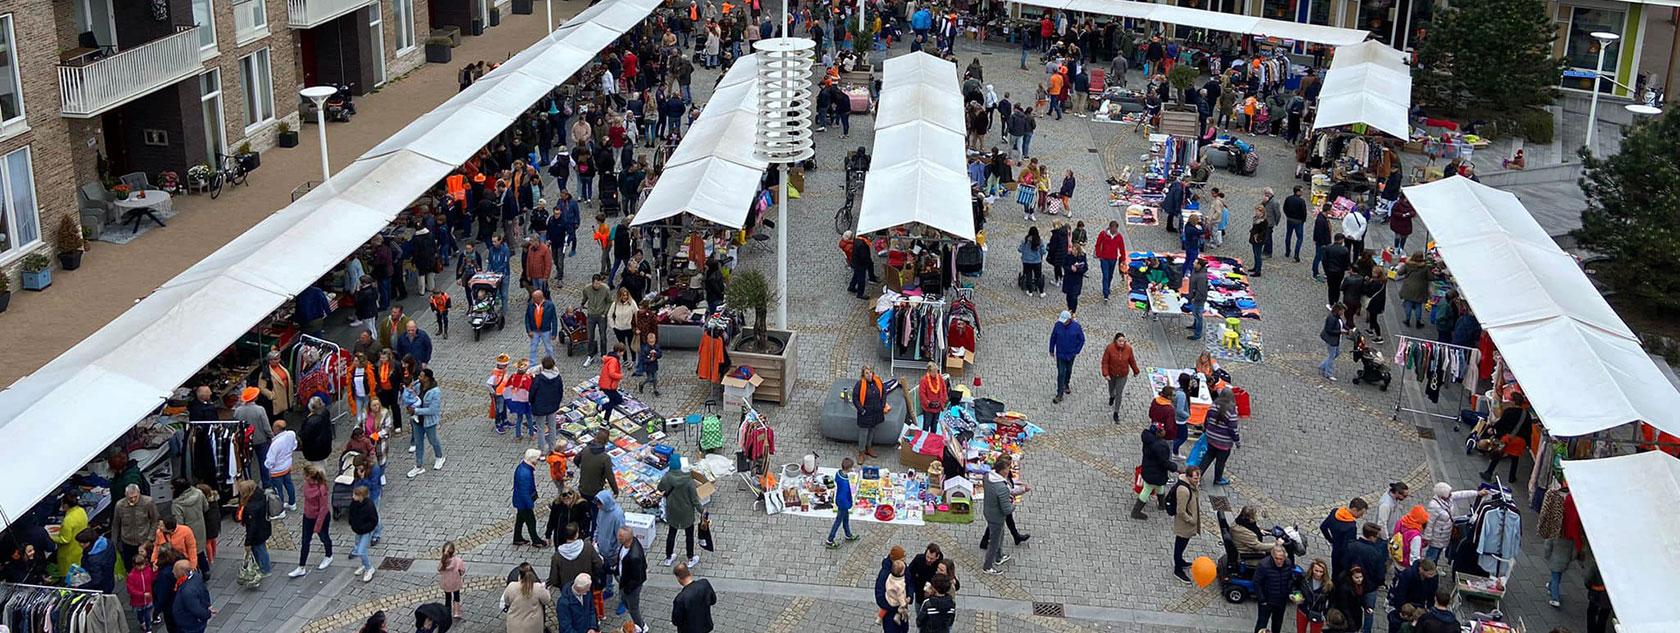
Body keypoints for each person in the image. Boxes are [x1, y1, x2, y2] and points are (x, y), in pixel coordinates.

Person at [286, 465, 333, 578]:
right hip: (308, 516)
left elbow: (323, 508)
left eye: (305, 475)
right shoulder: (307, 484)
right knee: (305, 541)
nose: (304, 477)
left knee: (324, 537)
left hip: (320, 518)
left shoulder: (321, 488)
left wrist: (318, 525)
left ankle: (329, 555)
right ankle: (301, 567)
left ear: (310, 476)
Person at [658, 454, 703, 567]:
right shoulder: (688, 480)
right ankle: (690, 558)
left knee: (671, 534)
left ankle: (668, 557)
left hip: (672, 510)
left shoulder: (667, 477)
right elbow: (695, 499)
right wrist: (702, 511)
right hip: (686, 512)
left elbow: (660, 488)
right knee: (689, 536)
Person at [981, 456, 1020, 575]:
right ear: (1003, 470)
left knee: (1000, 534)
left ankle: (999, 556)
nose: (1009, 470)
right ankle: (987, 566)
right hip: (996, 517)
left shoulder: (988, 476)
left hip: (988, 511)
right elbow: (1007, 510)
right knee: (994, 541)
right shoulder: (1001, 487)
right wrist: (1014, 504)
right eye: (1008, 468)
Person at [1424, 483, 1481, 562]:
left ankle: (1433, 567)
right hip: (1436, 537)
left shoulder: (1448, 498)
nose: (1451, 494)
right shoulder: (1434, 506)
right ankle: (1427, 569)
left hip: (1444, 535)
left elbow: (1461, 494)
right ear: (1443, 495)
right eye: (1449, 493)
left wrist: (1477, 493)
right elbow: (1430, 523)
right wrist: (1427, 538)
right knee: (1432, 555)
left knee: (1438, 553)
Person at [576, 432, 619, 536]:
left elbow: (576, 459)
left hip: (583, 488)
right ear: (606, 442)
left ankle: (584, 531)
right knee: (596, 513)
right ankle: (593, 535)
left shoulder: (585, 449)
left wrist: (583, 468)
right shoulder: (605, 458)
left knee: (586, 511)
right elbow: (610, 476)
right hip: (596, 491)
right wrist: (615, 490)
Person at [1135, 423, 1178, 519]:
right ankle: (1136, 511)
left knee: (1159, 486)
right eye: (1162, 430)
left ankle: (1162, 504)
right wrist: (1176, 468)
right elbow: (1164, 462)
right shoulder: (1160, 446)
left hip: (1149, 468)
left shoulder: (1149, 440)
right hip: (1155, 472)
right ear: (1158, 433)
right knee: (1147, 490)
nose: (1164, 431)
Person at [408, 368, 446, 478]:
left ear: (427, 378)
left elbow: (432, 410)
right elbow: (411, 396)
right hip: (417, 421)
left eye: (421, 376)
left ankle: (439, 457)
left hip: (429, 422)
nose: (419, 378)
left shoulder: (435, 392)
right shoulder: (417, 385)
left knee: (433, 440)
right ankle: (419, 466)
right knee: (418, 443)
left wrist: (416, 411)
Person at [1170, 466, 1204, 583]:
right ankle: (1178, 569)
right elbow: (1180, 511)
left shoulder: (1191, 485)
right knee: (1179, 545)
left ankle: (1180, 562)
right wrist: (1191, 520)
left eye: (1198, 477)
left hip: (1189, 522)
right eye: (1195, 478)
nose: (1197, 480)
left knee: (1183, 544)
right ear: (1188, 477)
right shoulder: (1183, 490)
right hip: (1184, 524)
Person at [1198, 388, 1239, 485]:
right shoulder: (1231, 411)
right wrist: (1237, 441)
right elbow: (1233, 429)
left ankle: (1198, 476)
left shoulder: (1213, 405)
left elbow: (1207, 420)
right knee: (1220, 462)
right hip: (1224, 443)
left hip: (1211, 438)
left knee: (1208, 456)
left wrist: (1206, 429)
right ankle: (1218, 479)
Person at [114, 483, 160, 569]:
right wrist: (114, 543)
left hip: (144, 541)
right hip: (127, 542)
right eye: (130, 497)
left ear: (139, 493)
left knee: (147, 566)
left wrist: (149, 539)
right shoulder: (120, 505)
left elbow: (155, 520)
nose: (133, 499)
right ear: (125, 495)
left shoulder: (148, 502)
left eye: (135, 496)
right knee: (129, 567)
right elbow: (116, 524)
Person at [1386, 559, 1440, 631]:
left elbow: (1432, 594)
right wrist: (1402, 609)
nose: (1432, 576)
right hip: (1406, 606)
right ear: (1421, 569)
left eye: (1433, 574)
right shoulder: (1408, 574)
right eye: (1429, 574)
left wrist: (1430, 608)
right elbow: (1400, 593)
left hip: (1419, 605)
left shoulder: (1434, 577)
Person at [1320, 498, 1368, 576]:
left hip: (1335, 551)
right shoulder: (1351, 526)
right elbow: (1349, 546)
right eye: (1361, 513)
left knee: (1335, 573)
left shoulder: (1335, 512)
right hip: (1343, 557)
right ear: (1355, 510)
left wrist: (1331, 540)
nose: (1361, 516)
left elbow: (1323, 527)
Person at [1101, 332, 1142, 423]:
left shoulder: (1128, 349)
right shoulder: (1109, 348)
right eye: (1120, 341)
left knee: (1119, 393)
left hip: (1123, 375)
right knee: (1111, 389)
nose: (1122, 343)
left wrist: (1136, 371)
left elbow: (1132, 361)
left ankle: (1116, 412)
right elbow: (1105, 362)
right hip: (1111, 374)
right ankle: (1112, 396)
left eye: (1123, 341)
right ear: (1116, 341)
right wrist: (1105, 373)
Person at [1254, 544, 1295, 633]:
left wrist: (1290, 592)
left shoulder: (1288, 563)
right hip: (1267, 601)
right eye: (1276, 558)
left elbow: (1290, 580)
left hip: (1281, 601)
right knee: (1261, 624)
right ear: (1272, 556)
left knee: (1277, 624)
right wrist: (1262, 600)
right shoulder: (1263, 565)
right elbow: (1257, 583)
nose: (1279, 561)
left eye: (1281, 559)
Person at [616, 526, 649, 632]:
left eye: (620, 536)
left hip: (631, 587)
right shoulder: (627, 544)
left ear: (627, 538)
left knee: (633, 609)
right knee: (626, 602)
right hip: (624, 581)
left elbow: (637, 578)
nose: (618, 537)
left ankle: (641, 627)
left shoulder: (635, 556)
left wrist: (626, 589)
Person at [501, 564, 552, 633]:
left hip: (515, 625)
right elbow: (547, 600)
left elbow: (506, 601)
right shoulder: (538, 587)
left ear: (519, 575)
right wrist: (546, 589)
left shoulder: (511, 586)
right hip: (533, 626)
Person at [1049, 310, 1085, 404]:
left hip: (1070, 354)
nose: (1063, 322)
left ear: (1069, 319)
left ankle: (1066, 383)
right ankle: (1059, 394)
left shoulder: (1076, 327)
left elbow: (1081, 339)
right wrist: (1051, 349)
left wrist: (1076, 350)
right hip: (1060, 354)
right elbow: (1053, 337)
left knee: (1069, 370)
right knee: (1061, 373)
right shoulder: (1058, 325)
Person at [512, 449, 546, 547]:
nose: (538, 461)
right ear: (532, 459)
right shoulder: (525, 473)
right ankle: (536, 540)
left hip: (520, 501)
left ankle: (517, 538)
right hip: (524, 503)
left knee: (520, 519)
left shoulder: (523, 467)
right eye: (536, 459)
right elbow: (524, 492)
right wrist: (530, 504)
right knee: (531, 521)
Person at [671, 561, 716, 633]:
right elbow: (713, 600)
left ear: (678, 578)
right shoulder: (704, 583)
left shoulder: (680, 599)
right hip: (705, 626)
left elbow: (676, 621)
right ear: (689, 573)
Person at [853, 366, 887, 460]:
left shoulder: (878, 381)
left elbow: (883, 392)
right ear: (863, 374)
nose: (869, 375)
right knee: (863, 434)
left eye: (871, 372)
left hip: (876, 413)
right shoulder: (859, 384)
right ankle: (861, 452)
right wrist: (862, 410)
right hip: (865, 413)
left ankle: (869, 448)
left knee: (872, 431)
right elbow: (855, 399)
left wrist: (882, 405)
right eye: (867, 373)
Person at [171, 560, 213, 633]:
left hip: (190, 624)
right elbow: (205, 592)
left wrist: (207, 613)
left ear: (183, 573)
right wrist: (207, 605)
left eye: (175, 571)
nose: (173, 572)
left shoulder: (187, 591)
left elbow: (196, 609)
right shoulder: (196, 576)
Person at [347, 485, 378, 583]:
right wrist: (352, 523)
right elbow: (351, 514)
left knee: (361, 550)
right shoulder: (354, 503)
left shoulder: (369, 505)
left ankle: (369, 568)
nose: (353, 497)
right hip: (358, 530)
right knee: (358, 547)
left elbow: (374, 521)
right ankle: (364, 565)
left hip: (365, 531)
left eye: (355, 495)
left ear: (361, 496)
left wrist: (365, 528)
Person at [1328, 564, 1371, 633]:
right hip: (1346, 616)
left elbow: (1361, 597)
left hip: (1356, 612)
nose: (1360, 579)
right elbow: (1344, 607)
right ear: (1351, 577)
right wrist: (1352, 625)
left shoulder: (1360, 585)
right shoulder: (1344, 588)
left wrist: (1366, 606)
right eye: (1357, 577)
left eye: (1361, 577)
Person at [582, 274, 613, 365]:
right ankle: (590, 356)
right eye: (595, 284)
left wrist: (605, 313)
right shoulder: (587, 289)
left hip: (601, 315)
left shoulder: (606, 289)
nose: (597, 285)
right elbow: (585, 297)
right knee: (590, 336)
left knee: (603, 336)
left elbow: (609, 302)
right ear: (592, 283)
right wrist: (582, 303)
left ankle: (603, 355)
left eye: (599, 283)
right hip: (591, 314)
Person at [1296, 558, 1333, 633]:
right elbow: (1296, 588)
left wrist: (1325, 615)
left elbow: (1331, 601)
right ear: (1312, 569)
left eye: (1321, 572)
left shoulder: (1328, 585)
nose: (1318, 574)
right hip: (1303, 610)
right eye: (1316, 571)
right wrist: (1297, 596)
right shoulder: (1304, 578)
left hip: (1318, 613)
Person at [127, 544, 158, 632]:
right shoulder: (131, 576)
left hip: (148, 599)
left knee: (148, 614)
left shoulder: (148, 570)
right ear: (134, 565)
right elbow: (130, 589)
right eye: (138, 565)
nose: (141, 567)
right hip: (138, 601)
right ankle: (142, 622)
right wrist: (142, 594)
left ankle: (149, 628)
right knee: (140, 614)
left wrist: (155, 572)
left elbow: (152, 579)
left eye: (142, 565)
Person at [525, 289, 559, 364]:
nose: (532, 299)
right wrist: (529, 330)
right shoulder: (531, 305)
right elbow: (527, 318)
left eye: (534, 298)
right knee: (533, 348)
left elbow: (554, 320)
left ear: (539, 298)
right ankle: (532, 364)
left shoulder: (550, 305)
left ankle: (551, 363)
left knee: (548, 348)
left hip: (545, 330)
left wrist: (554, 333)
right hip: (534, 330)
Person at [882, 558, 912, 633]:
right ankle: (897, 616)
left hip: (889, 597)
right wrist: (904, 603)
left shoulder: (890, 577)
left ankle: (880, 616)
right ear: (901, 573)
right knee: (901, 608)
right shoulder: (899, 584)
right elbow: (900, 595)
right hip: (896, 602)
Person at [438, 541, 466, 619]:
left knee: (448, 598)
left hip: (446, 583)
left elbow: (439, 570)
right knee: (456, 596)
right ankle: (456, 612)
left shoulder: (443, 562)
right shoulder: (458, 561)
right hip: (455, 582)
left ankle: (447, 612)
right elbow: (462, 570)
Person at [599, 343, 627, 420]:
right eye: (622, 352)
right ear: (619, 351)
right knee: (618, 400)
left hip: (607, 384)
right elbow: (612, 373)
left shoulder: (611, 358)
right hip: (609, 386)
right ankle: (601, 407)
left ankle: (605, 420)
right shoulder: (614, 361)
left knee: (612, 401)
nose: (623, 353)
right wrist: (620, 376)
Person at [1320, 304, 1348, 381]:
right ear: (1338, 310)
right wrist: (1340, 332)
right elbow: (1329, 330)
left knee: (1335, 354)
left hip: (1336, 340)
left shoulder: (1337, 317)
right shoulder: (1331, 318)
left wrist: (1348, 329)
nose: (1343, 313)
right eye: (1342, 311)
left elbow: (1342, 324)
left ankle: (1323, 366)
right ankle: (1328, 373)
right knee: (1332, 356)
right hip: (1331, 340)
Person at [1018, 226, 1047, 297]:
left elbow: (1020, 249)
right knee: (1038, 276)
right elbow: (1043, 251)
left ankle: (1030, 291)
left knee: (1028, 276)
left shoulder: (1025, 240)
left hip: (1027, 262)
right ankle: (1041, 292)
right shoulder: (1039, 241)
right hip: (1037, 262)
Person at [1186, 258, 1209, 340]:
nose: (1193, 264)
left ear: (1199, 265)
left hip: (1199, 299)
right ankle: (1194, 325)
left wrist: (1195, 298)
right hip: (1194, 296)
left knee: (1198, 315)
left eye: (1195, 263)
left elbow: (1201, 290)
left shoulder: (1201, 277)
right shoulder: (1196, 271)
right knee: (1195, 313)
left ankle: (1197, 334)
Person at [1283, 186, 1309, 261]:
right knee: (1300, 238)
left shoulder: (1288, 199)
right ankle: (1296, 254)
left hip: (1290, 219)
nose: (1302, 192)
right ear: (1297, 192)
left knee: (1288, 235)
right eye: (1301, 191)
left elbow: (1285, 208)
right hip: (1298, 221)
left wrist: (1288, 215)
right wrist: (1303, 220)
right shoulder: (1301, 201)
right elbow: (1304, 212)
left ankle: (1287, 251)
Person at [1061, 242, 1089, 311]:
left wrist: (1077, 270)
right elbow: (1064, 265)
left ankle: (1073, 311)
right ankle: (1069, 308)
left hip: (1077, 280)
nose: (1073, 251)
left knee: (1074, 296)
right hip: (1068, 279)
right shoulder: (1068, 256)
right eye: (1072, 249)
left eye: (1075, 250)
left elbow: (1085, 268)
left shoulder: (1082, 257)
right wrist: (1071, 268)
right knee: (1069, 296)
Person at [637, 331, 663, 396]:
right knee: (649, 378)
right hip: (648, 367)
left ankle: (655, 390)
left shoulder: (656, 347)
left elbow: (660, 355)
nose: (652, 343)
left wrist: (656, 353)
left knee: (655, 378)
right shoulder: (645, 349)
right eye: (650, 342)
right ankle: (641, 384)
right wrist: (650, 360)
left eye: (653, 342)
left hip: (654, 366)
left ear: (655, 340)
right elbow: (643, 360)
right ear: (647, 341)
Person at [1248, 205, 1271, 276]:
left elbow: (1264, 231)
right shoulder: (1256, 219)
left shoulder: (1264, 221)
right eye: (1256, 211)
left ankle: (1258, 271)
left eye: (1257, 211)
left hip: (1258, 240)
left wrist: (1257, 236)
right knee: (1255, 254)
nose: (1256, 212)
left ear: (1262, 213)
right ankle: (1255, 267)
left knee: (1258, 255)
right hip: (1254, 238)